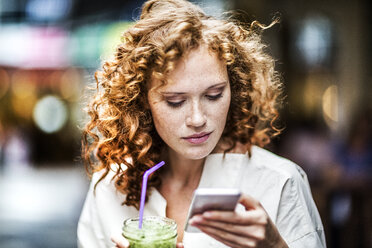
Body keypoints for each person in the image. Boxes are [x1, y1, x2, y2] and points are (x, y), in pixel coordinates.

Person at [77, 0, 326, 247]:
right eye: (175, 101)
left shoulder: (278, 183)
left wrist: (274, 246)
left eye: (214, 95)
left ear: (234, 88)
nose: (198, 119)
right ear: (142, 100)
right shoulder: (109, 189)